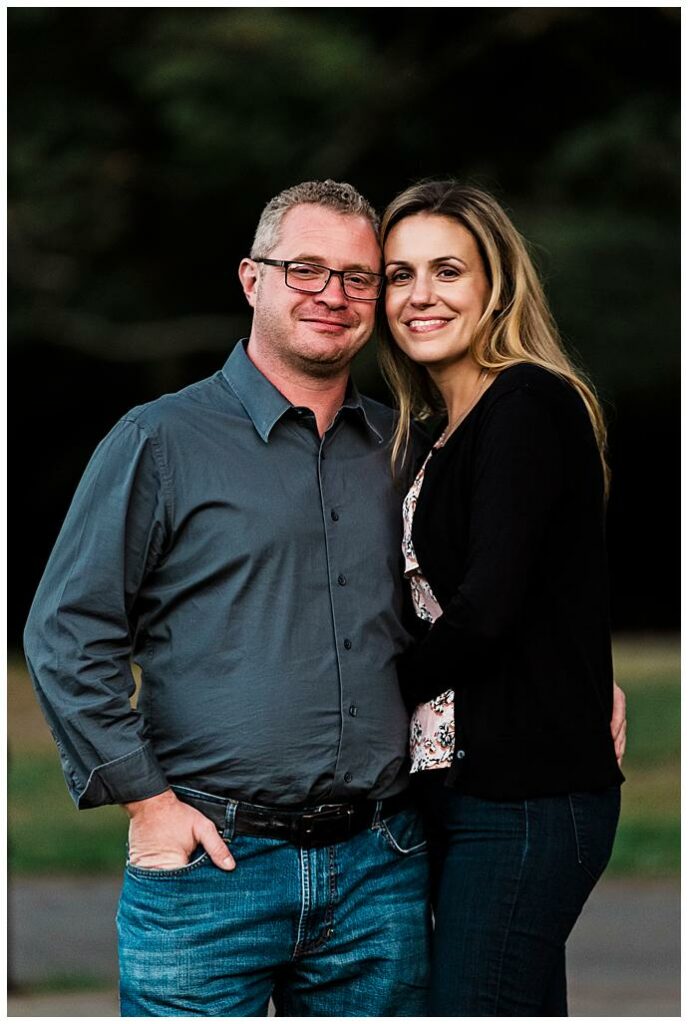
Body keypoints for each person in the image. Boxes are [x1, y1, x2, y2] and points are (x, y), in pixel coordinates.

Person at [23, 180, 432, 1016]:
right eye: (307, 269)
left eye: (359, 277)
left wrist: (583, 677)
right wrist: (148, 802)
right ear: (253, 279)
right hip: (211, 867)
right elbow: (67, 632)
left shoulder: (404, 449)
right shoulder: (159, 440)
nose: (334, 295)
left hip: (381, 867)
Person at [377, 180, 626, 1016]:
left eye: (447, 271)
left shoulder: (527, 402)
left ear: (496, 285)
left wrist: (353, 697)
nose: (419, 297)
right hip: (457, 791)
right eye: (398, 274)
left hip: (525, 799)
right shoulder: (428, 430)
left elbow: (489, 609)